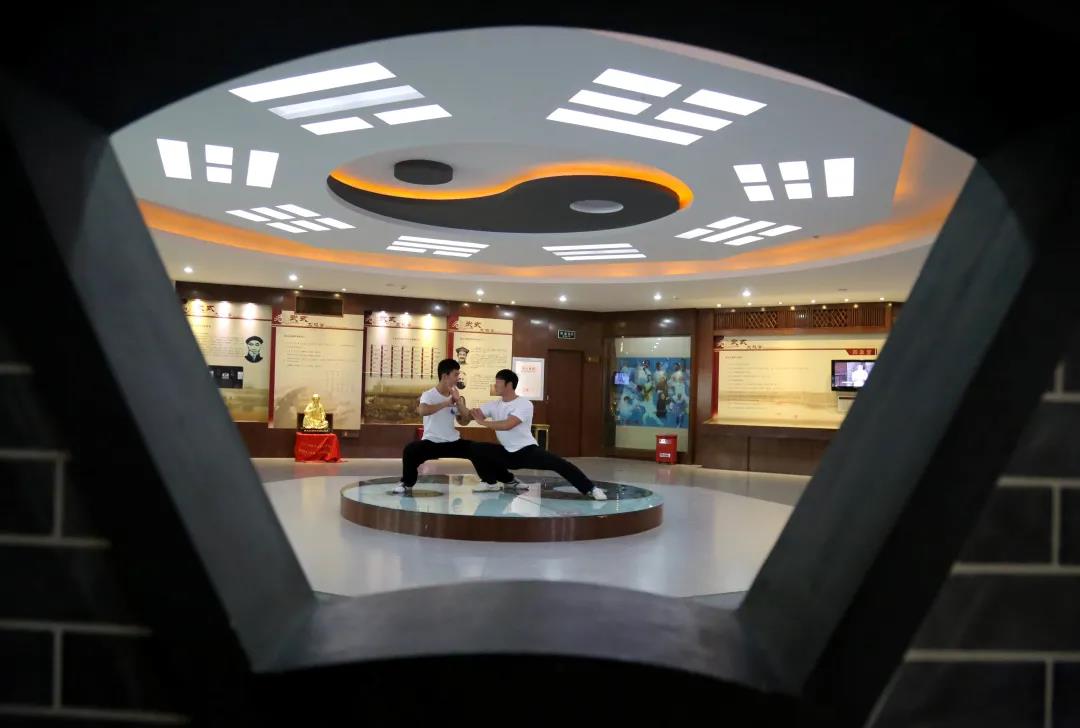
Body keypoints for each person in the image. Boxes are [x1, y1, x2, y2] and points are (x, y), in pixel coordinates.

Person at [462, 369, 607, 500]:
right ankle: (491, 482)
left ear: (509, 384)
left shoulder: (524, 404)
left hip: (527, 451)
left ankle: (591, 489)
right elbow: (468, 417)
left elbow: (508, 425)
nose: (495, 385)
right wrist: (459, 403)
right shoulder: (494, 405)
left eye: (498, 382)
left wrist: (483, 422)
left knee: (561, 464)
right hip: (507, 452)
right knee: (475, 448)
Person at [392, 359, 517, 495]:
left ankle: (506, 480)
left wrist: (459, 402)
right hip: (432, 442)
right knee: (410, 450)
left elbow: (464, 421)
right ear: (445, 376)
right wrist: (446, 403)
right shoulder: (429, 395)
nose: (458, 378)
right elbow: (423, 411)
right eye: (456, 374)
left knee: (480, 450)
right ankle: (406, 483)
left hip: (453, 441)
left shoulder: (456, 395)